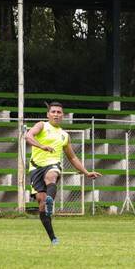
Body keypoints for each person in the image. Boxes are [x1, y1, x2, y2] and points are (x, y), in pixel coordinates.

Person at [24, 102, 100, 245]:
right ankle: (53, 238)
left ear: (63, 116)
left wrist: (86, 172)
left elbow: (72, 157)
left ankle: (50, 201)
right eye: (53, 112)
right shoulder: (42, 125)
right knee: (40, 201)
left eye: (59, 112)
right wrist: (42, 146)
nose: (56, 114)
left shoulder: (64, 135)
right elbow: (28, 136)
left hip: (52, 164)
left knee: (51, 175)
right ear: (48, 114)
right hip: (35, 167)